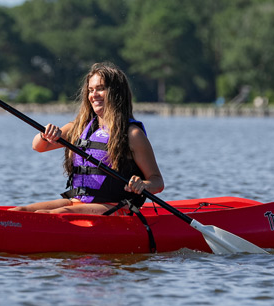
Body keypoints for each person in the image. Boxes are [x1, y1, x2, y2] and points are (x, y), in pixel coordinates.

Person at [10, 62, 164, 214]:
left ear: (116, 92)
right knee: (19, 211)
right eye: (90, 90)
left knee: (51, 215)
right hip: (77, 201)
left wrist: (143, 185)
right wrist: (45, 135)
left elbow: (157, 181)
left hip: (115, 207)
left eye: (100, 89)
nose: (94, 95)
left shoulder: (132, 134)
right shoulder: (79, 128)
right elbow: (38, 146)